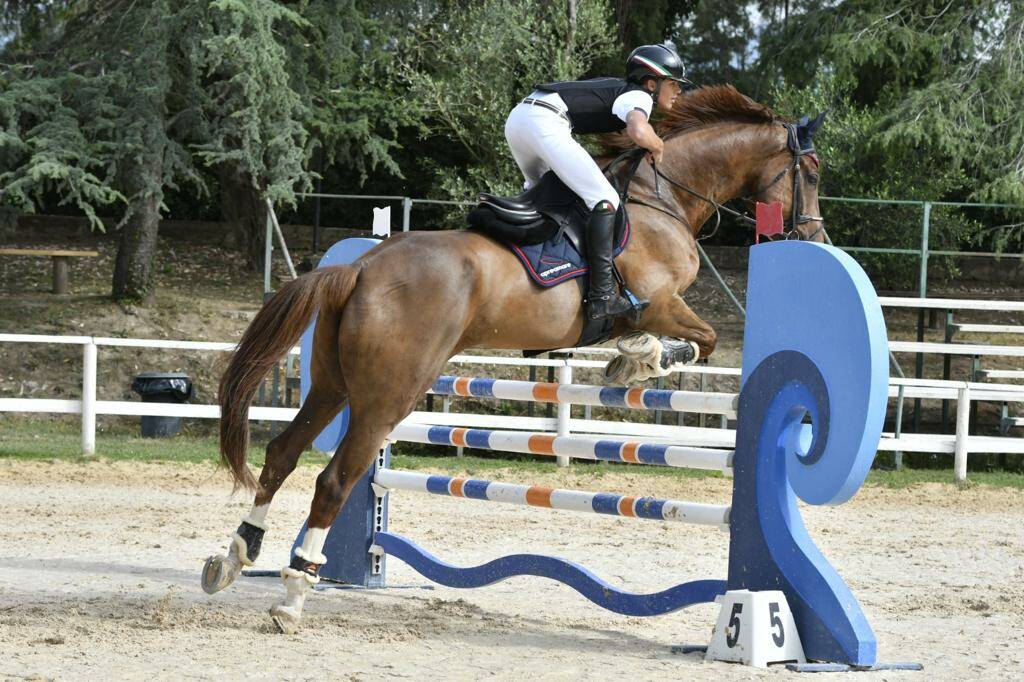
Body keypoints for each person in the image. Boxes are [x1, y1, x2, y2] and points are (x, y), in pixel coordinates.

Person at [504, 44, 688, 321]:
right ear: (652, 83)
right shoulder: (638, 95)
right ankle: (603, 296)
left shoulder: (621, 90)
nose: (679, 91)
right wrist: (657, 144)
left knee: (541, 195)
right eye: (673, 84)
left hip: (520, 118)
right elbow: (639, 130)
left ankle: (530, 267)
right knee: (605, 199)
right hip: (544, 121)